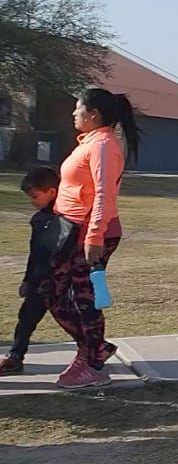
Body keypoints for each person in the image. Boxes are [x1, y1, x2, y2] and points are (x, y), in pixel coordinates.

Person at [44, 88, 139, 388]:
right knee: (54, 294)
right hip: (70, 230)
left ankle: (94, 364)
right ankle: (93, 349)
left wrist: (94, 235)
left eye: (77, 108)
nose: (74, 113)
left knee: (84, 299)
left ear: (93, 114)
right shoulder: (90, 143)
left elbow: (104, 195)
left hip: (89, 234)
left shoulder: (104, 146)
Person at [0, 168, 62, 375]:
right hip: (39, 280)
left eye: (35, 196)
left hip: (61, 280)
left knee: (74, 320)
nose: (32, 201)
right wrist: (28, 280)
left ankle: (92, 353)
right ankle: (16, 356)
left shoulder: (67, 218)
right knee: (26, 318)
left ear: (52, 192)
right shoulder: (38, 220)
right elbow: (34, 253)